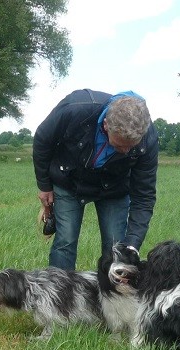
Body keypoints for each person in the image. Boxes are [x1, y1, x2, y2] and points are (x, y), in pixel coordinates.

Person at [33, 89, 159, 270]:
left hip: (114, 188)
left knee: (115, 247)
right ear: (106, 125)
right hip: (69, 180)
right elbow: (42, 140)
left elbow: (144, 195)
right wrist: (44, 185)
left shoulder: (148, 137)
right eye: (119, 145)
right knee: (65, 241)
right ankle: (60, 295)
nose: (125, 151)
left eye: (131, 147)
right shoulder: (75, 108)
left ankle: (109, 296)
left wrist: (132, 244)